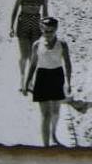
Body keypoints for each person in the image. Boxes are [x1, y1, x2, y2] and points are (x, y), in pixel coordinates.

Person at [23, 17, 72, 147]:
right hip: (42, 77)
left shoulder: (62, 44)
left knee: (56, 112)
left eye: (51, 31)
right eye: (46, 31)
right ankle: (46, 147)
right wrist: (26, 82)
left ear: (56, 30)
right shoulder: (36, 45)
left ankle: (54, 134)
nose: (48, 34)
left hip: (57, 76)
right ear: (41, 29)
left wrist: (69, 82)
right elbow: (33, 65)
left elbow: (67, 64)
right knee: (46, 114)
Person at [10, 0, 48, 91]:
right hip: (23, 23)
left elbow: (45, 12)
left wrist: (46, 29)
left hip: (37, 25)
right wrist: (11, 26)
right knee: (24, 56)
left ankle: (30, 81)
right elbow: (15, 9)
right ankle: (22, 78)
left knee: (34, 56)